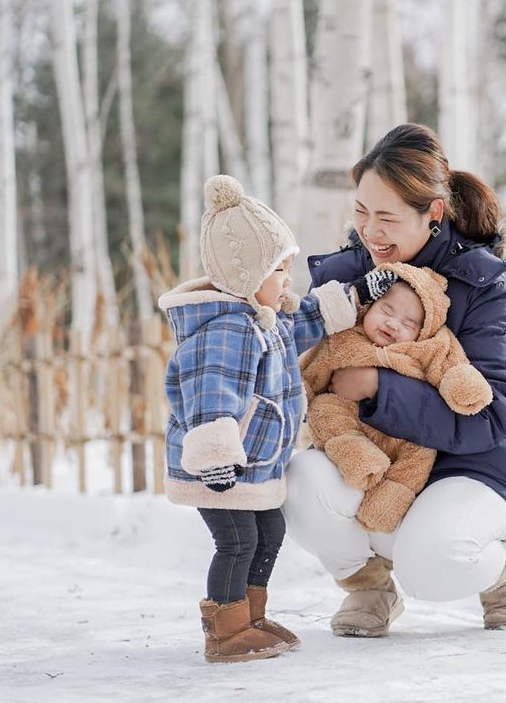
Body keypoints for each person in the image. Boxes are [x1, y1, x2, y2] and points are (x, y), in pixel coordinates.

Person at [283, 123, 506, 636]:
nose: (370, 231)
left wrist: (379, 387)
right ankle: (370, 586)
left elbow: (494, 414)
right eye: (360, 212)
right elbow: (298, 365)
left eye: (387, 217)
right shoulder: (344, 276)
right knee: (298, 483)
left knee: (432, 567)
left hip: (470, 466)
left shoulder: (486, 286)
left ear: (433, 214)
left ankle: (502, 571)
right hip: (374, 454)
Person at [158, 174, 396, 663]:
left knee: (269, 533)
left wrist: (359, 294)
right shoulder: (225, 329)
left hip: (254, 467)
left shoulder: (264, 320)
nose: (288, 280)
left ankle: (251, 616)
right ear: (247, 275)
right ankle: (225, 632)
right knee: (237, 541)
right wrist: (216, 455)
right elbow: (209, 396)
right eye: (279, 269)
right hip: (221, 468)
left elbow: (307, 319)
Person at [299, 262, 493, 542]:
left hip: (407, 430)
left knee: (420, 454)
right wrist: (298, 393)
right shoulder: (343, 339)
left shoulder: (428, 346)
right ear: (368, 307)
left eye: (409, 323)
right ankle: (357, 457)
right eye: (386, 311)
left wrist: (462, 384)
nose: (393, 324)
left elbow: (448, 364)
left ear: (424, 330)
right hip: (351, 420)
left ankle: (390, 498)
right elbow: (310, 372)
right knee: (324, 409)